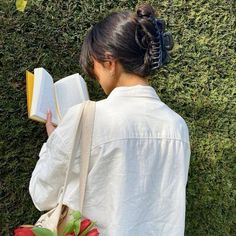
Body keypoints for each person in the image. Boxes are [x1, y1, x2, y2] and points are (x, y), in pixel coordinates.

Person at [29, 4, 191, 236]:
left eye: (94, 67)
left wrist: (52, 143)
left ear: (109, 62)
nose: (95, 77)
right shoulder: (177, 126)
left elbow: (42, 195)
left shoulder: (86, 117)